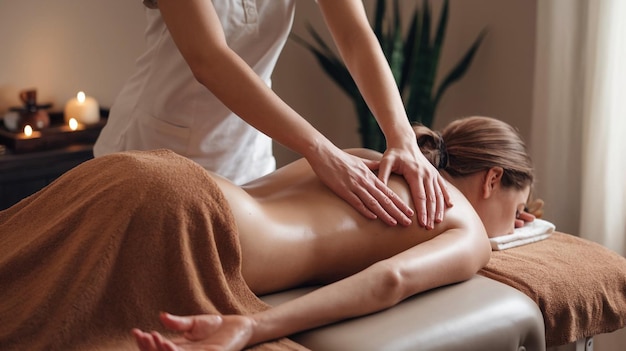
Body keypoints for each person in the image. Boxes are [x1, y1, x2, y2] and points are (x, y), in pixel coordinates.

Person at [122, 115, 533, 351]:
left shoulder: (363, 159)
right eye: (519, 210)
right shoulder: (466, 228)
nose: (516, 223)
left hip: (158, 172)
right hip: (200, 224)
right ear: (492, 179)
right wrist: (252, 326)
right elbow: (390, 280)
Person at [93, 0, 451, 230]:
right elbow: (209, 59)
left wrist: (402, 138)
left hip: (249, 161)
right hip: (153, 151)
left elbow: (355, 35)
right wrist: (321, 151)